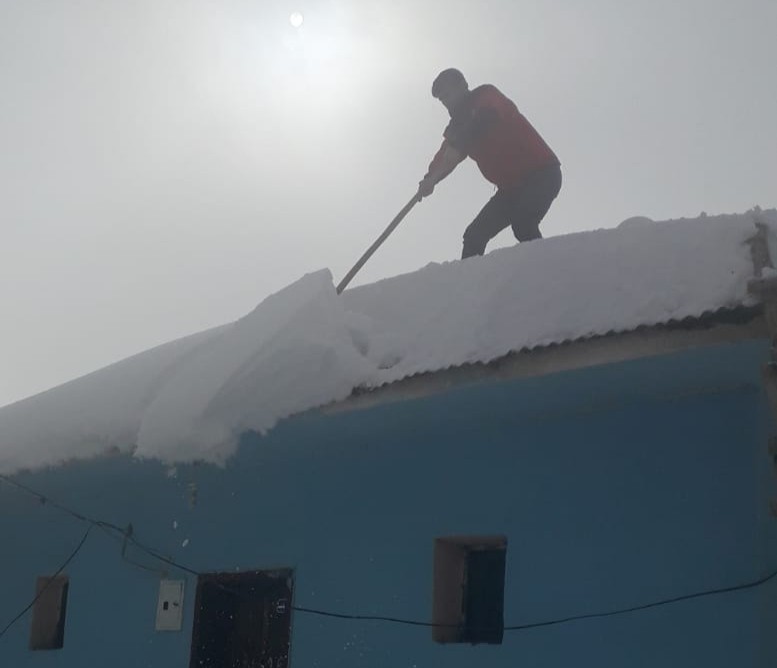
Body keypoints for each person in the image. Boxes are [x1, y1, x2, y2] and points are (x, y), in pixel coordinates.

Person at [418, 68, 561, 258]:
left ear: (463, 85)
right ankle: (469, 283)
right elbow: (444, 158)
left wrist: (458, 144)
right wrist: (430, 179)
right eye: (442, 98)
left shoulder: (486, 96)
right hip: (510, 190)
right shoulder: (455, 129)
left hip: (542, 174)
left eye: (448, 94)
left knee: (523, 223)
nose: (446, 101)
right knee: (474, 236)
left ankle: (548, 269)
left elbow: (484, 120)